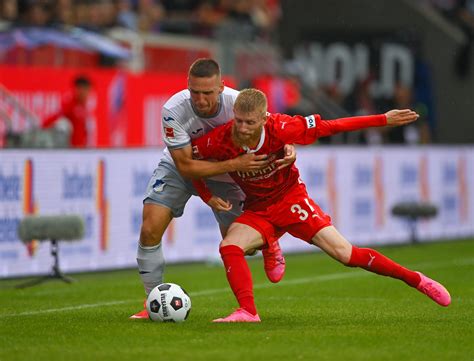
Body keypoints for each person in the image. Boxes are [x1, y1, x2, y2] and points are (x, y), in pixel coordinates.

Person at [191, 88, 451, 323]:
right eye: (238, 121)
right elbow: (189, 163)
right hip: (258, 208)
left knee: (346, 255)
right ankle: (248, 311)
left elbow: (333, 126)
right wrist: (206, 195)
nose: (243, 128)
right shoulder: (219, 139)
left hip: (291, 200)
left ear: (264, 118)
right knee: (229, 246)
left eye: (250, 122)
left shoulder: (282, 127)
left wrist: (383, 119)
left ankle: (416, 279)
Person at [130, 59, 295, 319]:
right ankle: (153, 301)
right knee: (150, 228)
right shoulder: (173, 109)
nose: (200, 99)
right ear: (188, 86)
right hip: (183, 167)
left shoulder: (238, 102)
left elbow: (271, 131)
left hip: (229, 177)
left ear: (221, 87)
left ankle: (269, 242)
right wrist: (234, 163)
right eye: (195, 92)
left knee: (242, 245)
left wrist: (287, 147)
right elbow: (185, 166)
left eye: (207, 92)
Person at [42, 75, 93, 148]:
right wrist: (43, 126)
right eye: (85, 89)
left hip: (81, 148)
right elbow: (56, 118)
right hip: (72, 149)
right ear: (79, 89)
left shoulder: (84, 107)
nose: (87, 93)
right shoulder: (70, 105)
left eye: (89, 90)